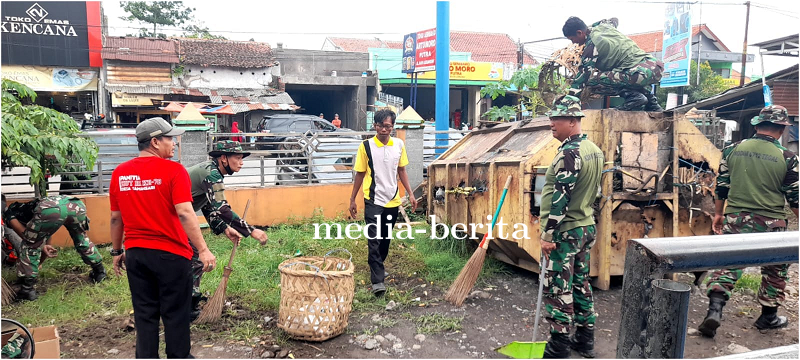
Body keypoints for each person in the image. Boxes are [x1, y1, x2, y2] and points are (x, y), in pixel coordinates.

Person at [109, 117, 216, 358]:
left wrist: (116, 252)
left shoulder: (120, 174)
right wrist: (203, 249)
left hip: (136, 255)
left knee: (144, 314)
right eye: (170, 138)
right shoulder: (173, 170)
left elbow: (116, 219)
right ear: (155, 142)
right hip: (171, 255)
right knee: (175, 312)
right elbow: (186, 212)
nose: (175, 143)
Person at [698, 105, 799, 338]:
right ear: (782, 128)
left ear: (756, 125)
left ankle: (714, 311)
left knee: (729, 263)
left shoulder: (732, 149)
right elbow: (794, 197)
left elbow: (721, 185)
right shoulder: (788, 157)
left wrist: (718, 214)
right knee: (776, 268)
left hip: (736, 217)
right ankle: (768, 317)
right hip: (772, 221)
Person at [538, 95, 604, 358]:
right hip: (585, 226)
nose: (551, 123)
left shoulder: (570, 153)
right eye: (551, 118)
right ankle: (585, 339)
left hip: (565, 230)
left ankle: (559, 345)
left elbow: (560, 200)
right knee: (580, 283)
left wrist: (548, 234)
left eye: (557, 119)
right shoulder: (594, 151)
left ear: (573, 121)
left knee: (558, 286)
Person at [186, 140, 269, 321]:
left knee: (189, 260)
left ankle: (186, 302)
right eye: (237, 158)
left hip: (178, 218)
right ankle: (188, 307)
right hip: (170, 219)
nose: (241, 162)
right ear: (223, 158)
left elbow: (208, 206)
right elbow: (222, 208)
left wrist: (224, 228)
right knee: (194, 260)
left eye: (241, 158)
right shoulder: (211, 174)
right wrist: (251, 230)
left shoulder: (211, 171)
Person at [349, 109, 417, 297]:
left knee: (385, 239)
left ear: (392, 127)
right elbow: (360, 173)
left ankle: (378, 265)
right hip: (373, 199)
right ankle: (377, 280)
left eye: (387, 126)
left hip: (392, 199)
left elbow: (402, 170)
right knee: (374, 239)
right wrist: (352, 198)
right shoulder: (366, 146)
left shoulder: (399, 145)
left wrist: (410, 194)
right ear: (375, 126)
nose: (384, 129)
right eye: (380, 126)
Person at [2, 194, 105, 301]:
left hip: (50, 209)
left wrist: (35, 264)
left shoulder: (10, 214)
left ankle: (27, 290)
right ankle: (99, 271)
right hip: (74, 204)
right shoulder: (31, 209)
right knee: (81, 238)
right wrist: (41, 257)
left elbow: (28, 239)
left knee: (29, 245)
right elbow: (46, 236)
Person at [562, 16, 664, 112]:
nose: (575, 43)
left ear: (580, 33)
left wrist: (567, 102)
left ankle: (635, 98)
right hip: (655, 67)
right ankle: (652, 104)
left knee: (591, 81)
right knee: (622, 74)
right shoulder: (603, 26)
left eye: (572, 39)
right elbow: (614, 20)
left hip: (639, 73)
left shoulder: (592, 46)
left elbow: (582, 78)